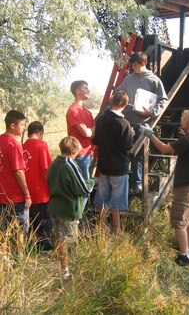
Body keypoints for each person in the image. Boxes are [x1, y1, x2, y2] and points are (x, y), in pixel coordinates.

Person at [143, 109, 189, 266]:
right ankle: (188, 249)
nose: (181, 121)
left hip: (186, 184)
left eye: (183, 119)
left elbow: (165, 149)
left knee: (178, 219)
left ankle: (184, 256)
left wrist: (150, 135)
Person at [117, 51, 168, 194]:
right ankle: (122, 182)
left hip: (142, 123)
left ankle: (137, 183)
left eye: (135, 65)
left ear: (143, 64)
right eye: (131, 65)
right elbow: (119, 93)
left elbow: (163, 100)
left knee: (139, 155)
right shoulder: (128, 79)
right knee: (124, 153)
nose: (133, 67)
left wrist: (151, 113)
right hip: (127, 122)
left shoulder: (154, 80)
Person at [47, 136, 96, 279]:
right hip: (68, 208)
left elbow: (48, 180)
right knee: (67, 240)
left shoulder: (54, 163)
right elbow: (83, 188)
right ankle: (66, 271)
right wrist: (92, 181)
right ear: (74, 150)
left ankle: (62, 268)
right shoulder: (70, 164)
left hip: (54, 206)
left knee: (59, 238)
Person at [92, 90, 134, 235]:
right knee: (116, 199)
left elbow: (96, 140)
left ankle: (101, 226)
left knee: (102, 197)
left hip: (104, 165)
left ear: (111, 101)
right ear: (125, 104)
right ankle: (116, 229)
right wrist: (132, 134)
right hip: (119, 166)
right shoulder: (125, 124)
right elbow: (128, 147)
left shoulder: (102, 119)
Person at [0, 110, 32, 260]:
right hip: (14, 195)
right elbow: (18, 171)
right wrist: (27, 194)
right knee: (20, 229)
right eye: (22, 124)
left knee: (3, 229)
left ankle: (4, 258)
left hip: (1, 194)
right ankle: (19, 257)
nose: (24, 128)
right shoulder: (14, 144)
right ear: (12, 125)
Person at [23, 121, 53, 250]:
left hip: (26, 191)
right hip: (41, 191)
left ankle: (31, 244)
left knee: (32, 221)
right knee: (44, 221)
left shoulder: (22, 146)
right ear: (40, 132)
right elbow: (47, 169)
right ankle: (44, 247)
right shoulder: (41, 145)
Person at [66, 80, 95, 180]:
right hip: (79, 155)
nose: (88, 90)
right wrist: (90, 131)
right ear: (78, 91)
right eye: (85, 88)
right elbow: (86, 133)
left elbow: (92, 131)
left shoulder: (86, 110)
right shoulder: (73, 110)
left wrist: (90, 131)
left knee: (88, 187)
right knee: (82, 189)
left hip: (89, 153)